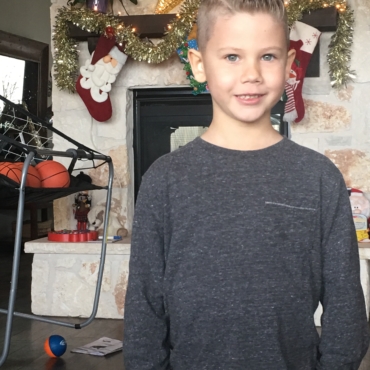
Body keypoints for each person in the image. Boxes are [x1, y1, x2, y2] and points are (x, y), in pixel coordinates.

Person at [123, 0, 370, 368]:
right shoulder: (164, 179)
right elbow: (144, 305)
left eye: (268, 56)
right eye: (232, 57)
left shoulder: (318, 177)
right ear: (199, 64)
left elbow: (345, 302)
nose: (251, 73)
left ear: (289, 66)